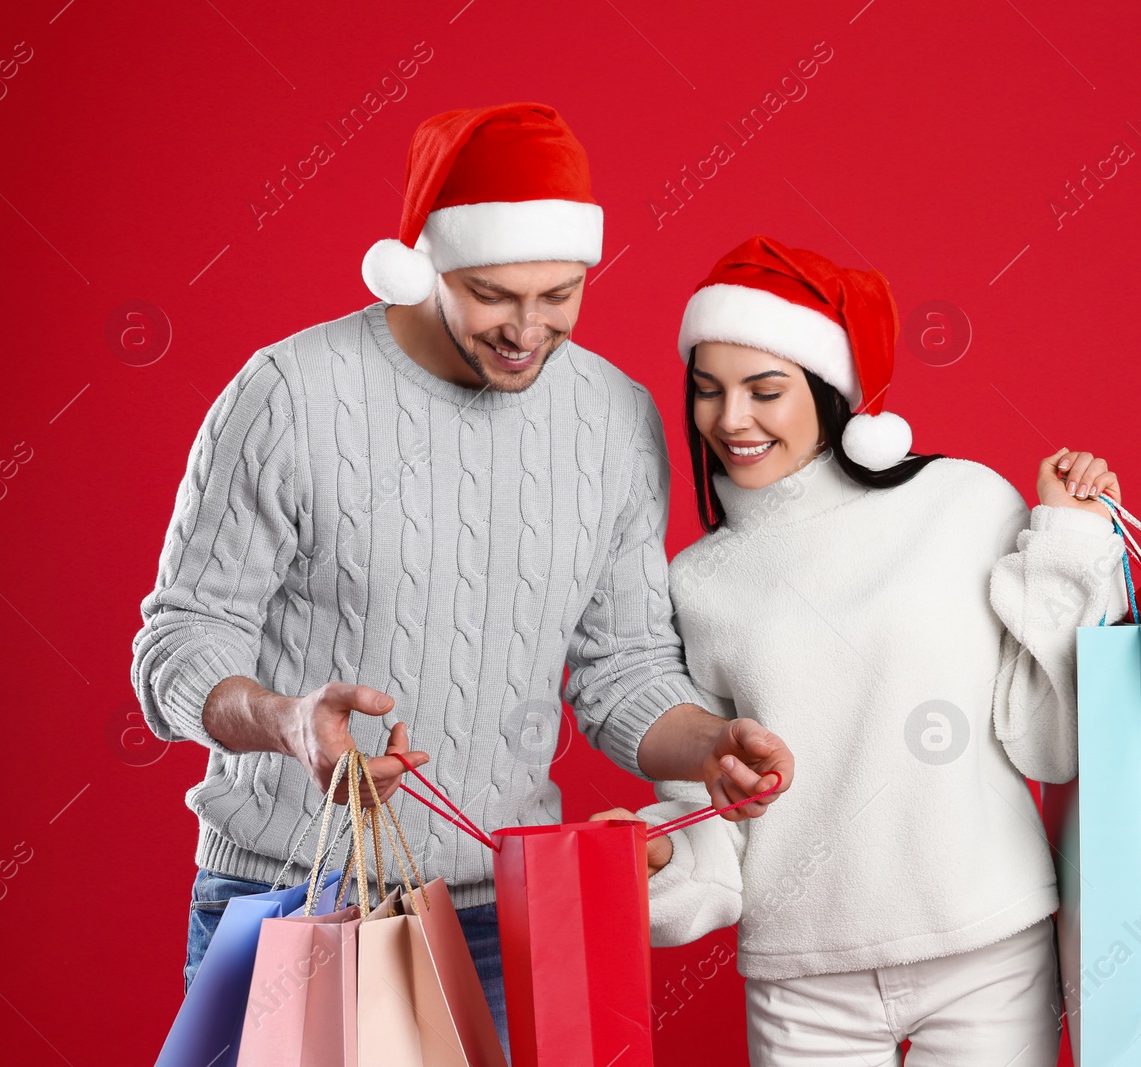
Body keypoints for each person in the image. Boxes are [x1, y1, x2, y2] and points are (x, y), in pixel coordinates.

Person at [130, 106, 793, 1057]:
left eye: (561, 294)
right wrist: (287, 719)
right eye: (492, 294)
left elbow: (625, 669)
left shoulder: (615, 419)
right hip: (290, 895)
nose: (529, 330)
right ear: (426, 264)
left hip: (506, 916)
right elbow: (176, 646)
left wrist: (708, 742)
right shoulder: (289, 393)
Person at [589, 236, 1129, 1066]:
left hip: (985, 946)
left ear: (832, 389)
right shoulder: (697, 581)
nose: (731, 419)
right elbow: (728, 813)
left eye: (765, 390)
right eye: (708, 392)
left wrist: (1068, 542)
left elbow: (1052, 743)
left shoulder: (965, 503)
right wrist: (661, 850)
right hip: (802, 979)